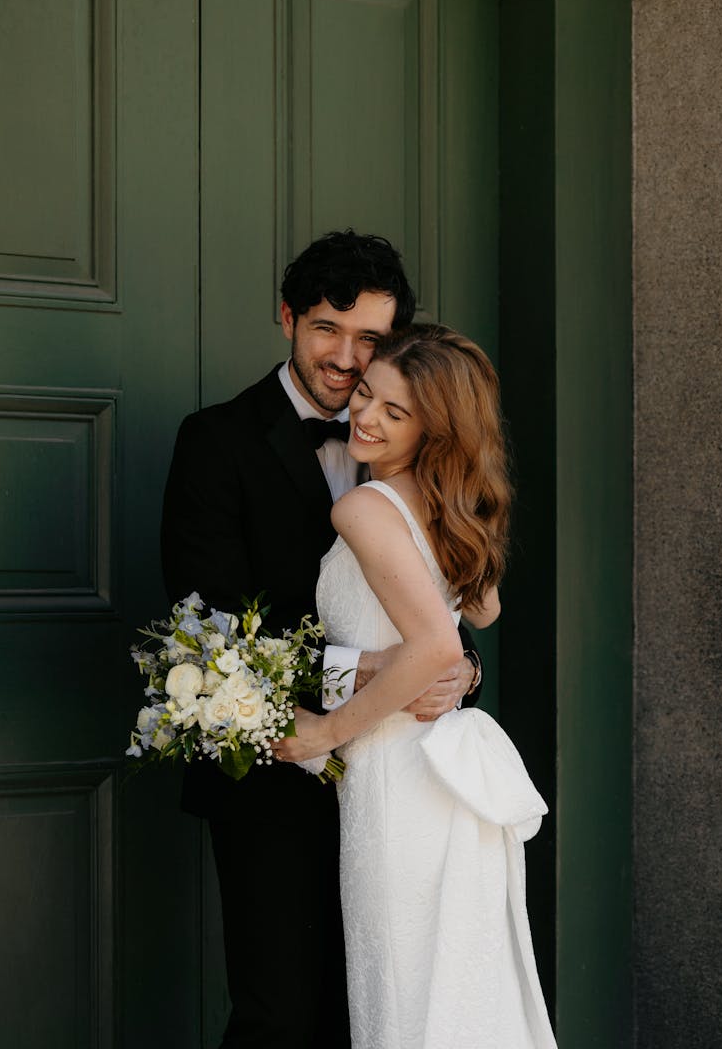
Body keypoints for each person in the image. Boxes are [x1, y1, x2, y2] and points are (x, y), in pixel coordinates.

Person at [160, 231, 482, 1049]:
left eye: (369, 339)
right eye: (325, 329)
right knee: (282, 1015)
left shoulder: (417, 444)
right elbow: (210, 626)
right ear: (286, 319)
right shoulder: (216, 441)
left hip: (398, 780)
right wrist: (368, 673)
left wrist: (458, 671)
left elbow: (441, 606)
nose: (346, 358)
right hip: (271, 774)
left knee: (385, 1005)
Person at [276, 324, 557, 1049]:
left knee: (399, 996)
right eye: (366, 394)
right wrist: (448, 666)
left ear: (436, 429)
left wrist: (324, 733)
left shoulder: (364, 509)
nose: (365, 417)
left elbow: (435, 643)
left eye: (394, 413)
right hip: (449, 780)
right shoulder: (444, 509)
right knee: (459, 997)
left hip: (398, 781)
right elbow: (478, 613)